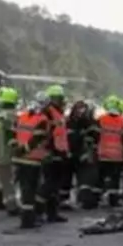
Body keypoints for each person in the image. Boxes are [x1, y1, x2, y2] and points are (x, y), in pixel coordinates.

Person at [12, 92, 53, 229]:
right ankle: (28, 220)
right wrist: (25, 149)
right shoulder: (42, 120)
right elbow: (37, 139)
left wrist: (16, 149)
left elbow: (13, 134)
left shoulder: (22, 117)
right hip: (32, 159)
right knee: (30, 190)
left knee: (25, 189)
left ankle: (27, 217)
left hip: (19, 159)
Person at [94, 97, 123, 207]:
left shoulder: (101, 119)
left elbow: (95, 136)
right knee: (115, 179)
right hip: (117, 155)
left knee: (100, 178)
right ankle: (113, 201)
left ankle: (96, 199)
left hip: (103, 154)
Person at [42, 85, 71, 221]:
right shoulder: (48, 112)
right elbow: (46, 134)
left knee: (55, 185)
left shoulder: (58, 112)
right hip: (52, 153)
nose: (61, 100)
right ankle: (42, 211)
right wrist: (50, 150)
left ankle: (52, 213)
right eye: (59, 98)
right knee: (49, 184)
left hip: (60, 152)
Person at [68, 100, 100, 210]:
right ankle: (84, 200)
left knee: (83, 180)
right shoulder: (90, 123)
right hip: (78, 154)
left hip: (76, 154)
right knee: (85, 178)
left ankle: (83, 200)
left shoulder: (70, 121)